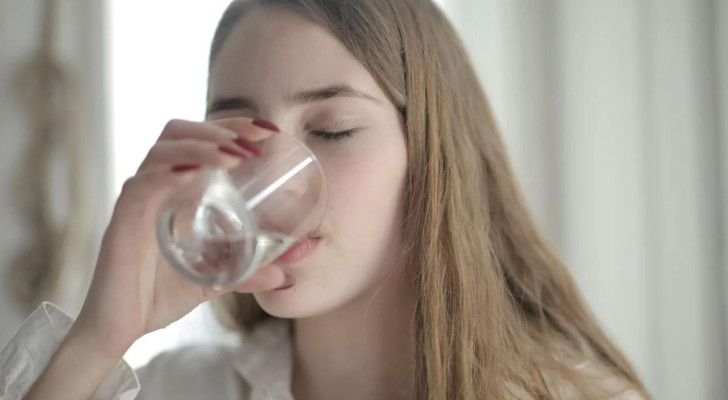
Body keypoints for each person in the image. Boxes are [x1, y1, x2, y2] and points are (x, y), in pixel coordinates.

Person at [1, 0, 652, 399]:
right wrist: (96, 340)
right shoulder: (179, 389)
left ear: (430, 153)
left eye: (332, 130)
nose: (272, 185)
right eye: (237, 137)